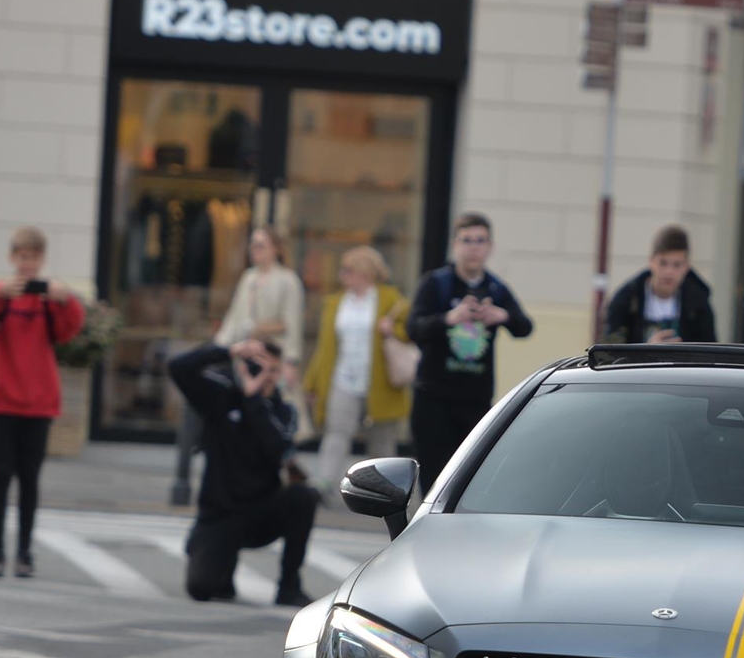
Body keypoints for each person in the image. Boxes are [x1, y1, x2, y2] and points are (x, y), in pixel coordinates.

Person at [0, 227, 85, 578]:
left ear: (41, 260)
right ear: (12, 258)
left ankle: (25, 553)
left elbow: (68, 331)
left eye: (33, 257)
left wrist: (66, 299)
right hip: (1, 399)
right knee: (0, 476)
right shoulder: (0, 294)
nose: (27, 264)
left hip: (38, 403)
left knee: (30, 478)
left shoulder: (49, 299)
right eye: (22, 257)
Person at [169, 325, 320, 605]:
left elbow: (277, 447)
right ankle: (211, 557)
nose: (265, 376)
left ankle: (289, 585)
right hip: (220, 513)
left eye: (272, 370)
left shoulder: (283, 411)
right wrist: (228, 350)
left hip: (261, 513)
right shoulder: (221, 395)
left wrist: (254, 401)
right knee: (203, 588)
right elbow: (178, 368)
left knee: (304, 497)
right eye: (257, 366)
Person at [175, 224, 305, 503]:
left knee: (273, 412)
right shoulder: (248, 278)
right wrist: (221, 348)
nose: (255, 251)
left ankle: (283, 467)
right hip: (245, 356)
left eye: (261, 245)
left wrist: (291, 361)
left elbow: (292, 322)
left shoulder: (287, 280)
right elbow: (234, 317)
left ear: (276, 249)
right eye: (253, 245)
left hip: (272, 357)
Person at [407, 212, 534, 489]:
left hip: (475, 402)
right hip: (433, 400)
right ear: (455, 245)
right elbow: (413, 328)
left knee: (469, 485)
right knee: (433, 483)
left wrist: (502, 316)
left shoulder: (496, 288)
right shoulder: (436, 284)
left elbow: (525, 327)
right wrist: (449, 318)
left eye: (480, 241)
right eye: (467, 240)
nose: (474, 247)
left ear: (490, 247)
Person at [305, 245, 412, 499]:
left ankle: (384, 490)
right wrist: (312, 382)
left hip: (380, 381)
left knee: (382, 439)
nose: (342, 276)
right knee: (336, 433)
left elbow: (409, 332)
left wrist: (390, 330)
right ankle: (324, 483)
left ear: (364, 272)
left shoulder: (389, 299)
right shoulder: (336, 302)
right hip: (343, 377)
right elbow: (325, 346)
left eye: (347, 270)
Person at [603, 224, 717, 345]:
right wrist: (646, 351)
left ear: (686, 267)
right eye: (663, 263)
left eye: (677, 265)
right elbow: (609, 352)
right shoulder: (626, 300)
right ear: (651, 261)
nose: (669, 272)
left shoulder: (699, 304)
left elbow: (710, 353)